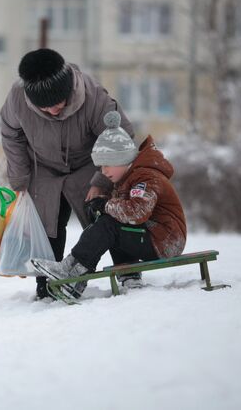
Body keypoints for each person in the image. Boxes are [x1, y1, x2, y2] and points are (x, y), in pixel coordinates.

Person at [0, 48, 134, 300]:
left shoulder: (93, 97)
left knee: (107, 214)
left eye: (58, 104)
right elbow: (11, 134)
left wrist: (101, 180)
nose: (53, 110)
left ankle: (127, 270)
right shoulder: (17, 97)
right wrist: (19, 179)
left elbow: (121, 135)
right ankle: (47, 285)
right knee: (45, 223)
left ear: (68, 91)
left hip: (88, 164)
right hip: (44, 168)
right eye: (45, 107)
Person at [30, 111, 187, 298]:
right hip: (153, 236)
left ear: (121, 159)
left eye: (106, 165)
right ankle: (124, 275)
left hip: (166, 241)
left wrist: (105, 205)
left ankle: (74, 271)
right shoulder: (129, 177)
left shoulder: (146, 177)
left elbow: (137, 212)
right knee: (109, 220)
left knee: (109, 224)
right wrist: (101, 207)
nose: (103, 172)